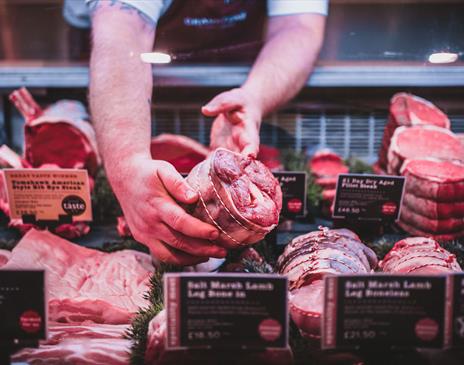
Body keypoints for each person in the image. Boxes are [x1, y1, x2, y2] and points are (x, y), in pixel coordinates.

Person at [72, 0, 327, 266]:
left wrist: (254, 96)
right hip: (128, 91)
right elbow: (123, 33)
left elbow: (297, 26)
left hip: (245, 69)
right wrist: (127, 162)